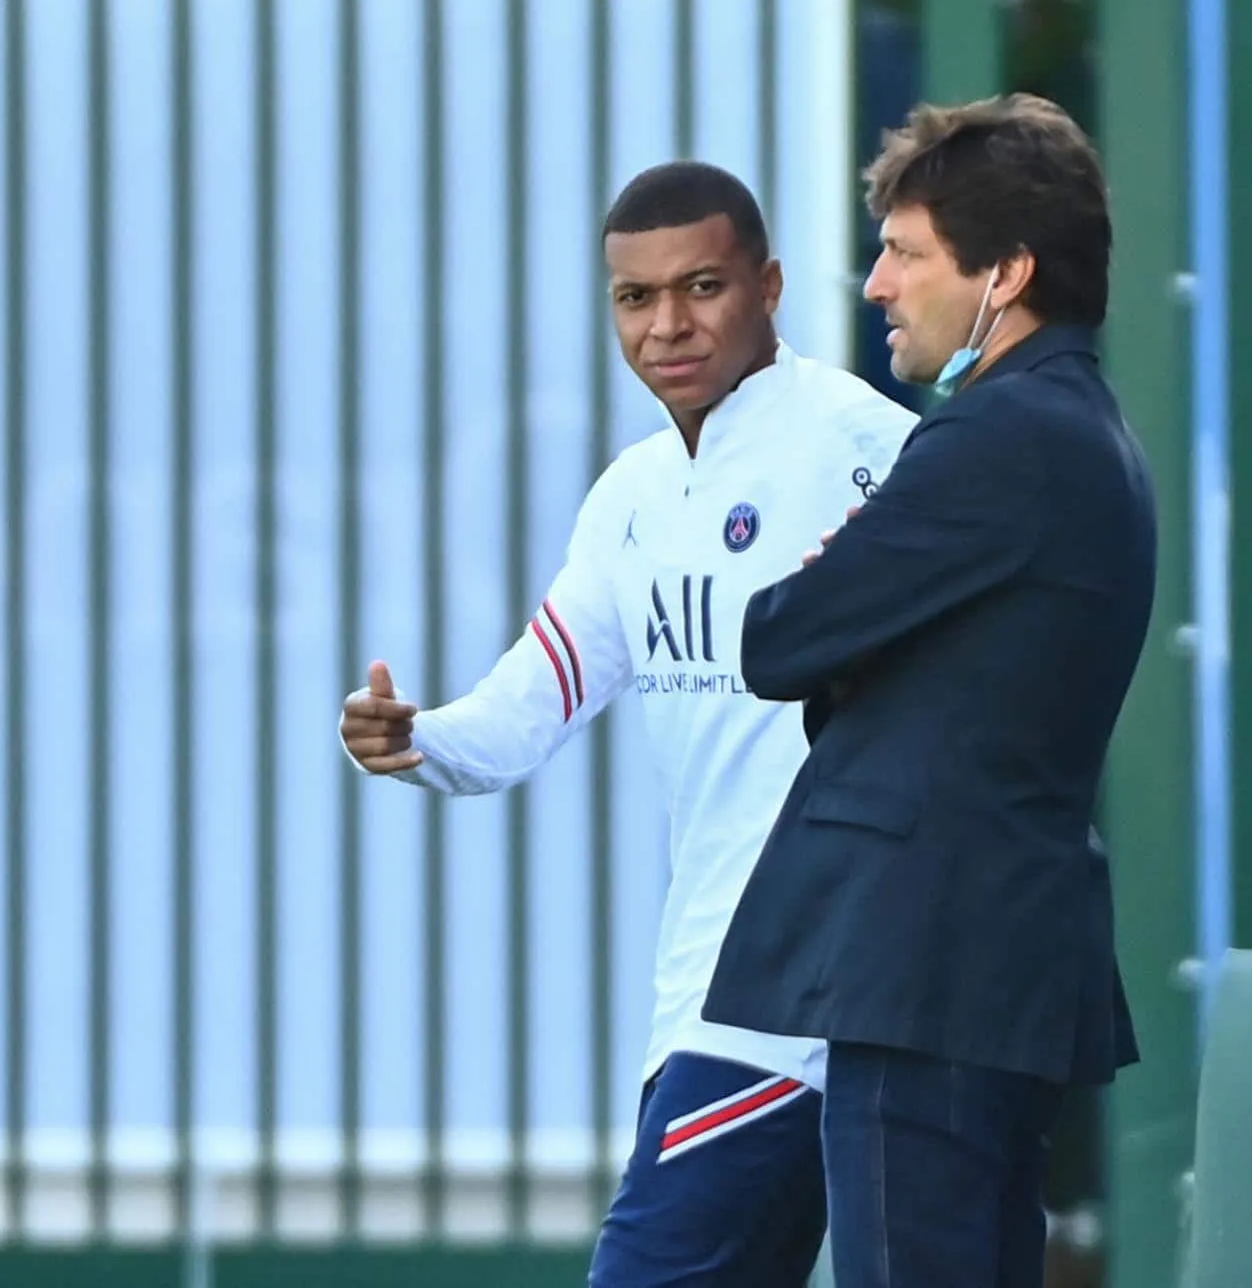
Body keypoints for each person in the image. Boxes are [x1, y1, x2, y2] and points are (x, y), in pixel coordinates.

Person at [339, 160, 916, 1286]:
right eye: (634, 297)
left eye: (700, 287)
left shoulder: (865, 448)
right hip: (701, 995)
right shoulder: (632, 496)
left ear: (770, 285)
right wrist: (418, 739)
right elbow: (531, 703)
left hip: (802, 998)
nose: (667, 325)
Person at [701, 94, 1153, 1288]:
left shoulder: (993, 442)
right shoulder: (1074, 433)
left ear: (1003, 272)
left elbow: (779, 636)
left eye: (904, 253)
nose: (875, 285)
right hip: (987, 960)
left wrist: (837, 612)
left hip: (931, 968)